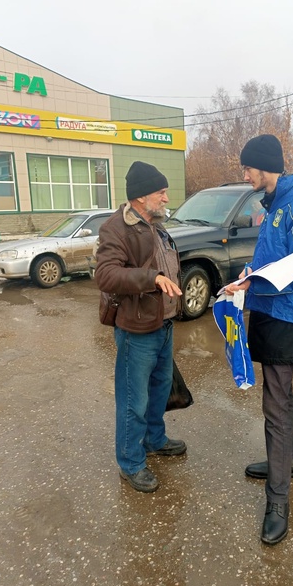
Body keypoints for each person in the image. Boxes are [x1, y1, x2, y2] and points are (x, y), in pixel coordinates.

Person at [225, 134, 293, 545]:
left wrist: (258, 282)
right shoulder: (275, 203)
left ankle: (278, 502)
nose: (245, 174)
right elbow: (271, 258)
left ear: (265, 165)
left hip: (291, 316)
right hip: (270, 311)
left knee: (274, 404)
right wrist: (245, 279)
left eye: (248, 167)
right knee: (283, 397)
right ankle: (291, 463)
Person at [95, 161, 185, 493]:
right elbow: (105, 275)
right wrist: (153, 278)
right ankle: (131, 463)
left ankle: (154, 439)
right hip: (137, 330)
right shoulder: (115, 228)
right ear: (141, 197)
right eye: (160, 192)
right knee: (134, 398)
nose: (165, 197)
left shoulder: (157, 226)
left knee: (160, 389)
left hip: (163, 325)